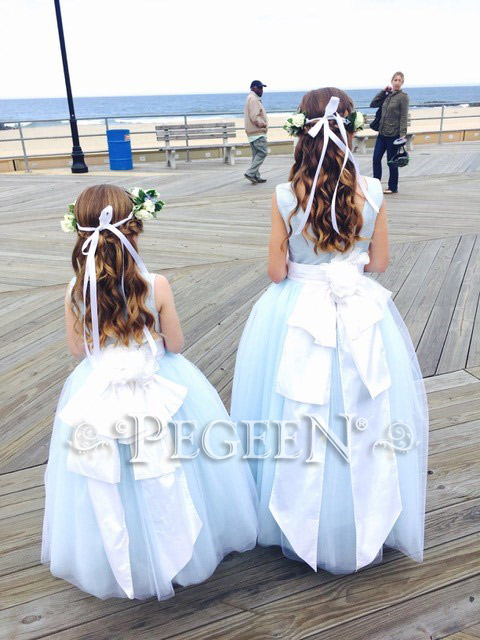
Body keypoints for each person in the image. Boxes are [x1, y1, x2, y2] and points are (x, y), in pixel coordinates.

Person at [230, 87, 428, 575]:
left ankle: (292, 519)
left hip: (296, 312)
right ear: (351, 131)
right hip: (360, 311)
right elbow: (378, 262)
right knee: (365, 408)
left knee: (296, 413)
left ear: (301, 134)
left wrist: (303, 258)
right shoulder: (373, 191)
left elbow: (276, 273)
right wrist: (347, 264)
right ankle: (363, 516)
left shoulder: (284, 195)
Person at [42, 184, 258, 600]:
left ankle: (127, 559)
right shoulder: (155, 284)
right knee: (179, 469)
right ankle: (182, 550)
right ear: (135, 230)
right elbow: (175, 344)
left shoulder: (74, 292)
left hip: (99, 394)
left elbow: (77, 351)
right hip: (160, 387)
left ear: (81, 237)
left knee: (110, 476)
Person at [370, 72, 410, 194]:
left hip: (393, 135)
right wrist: (383, 92)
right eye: (395, 80)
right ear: (392, 81)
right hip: (382, 133)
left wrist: (403, 134)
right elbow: (373, 104)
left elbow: (403, 116)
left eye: (399, 80)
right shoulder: (387, 95)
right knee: (376, 159)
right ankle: (376, 185)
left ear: (402, 82)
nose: (397, 82)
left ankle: (393, 187)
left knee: (391, 161)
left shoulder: (403, 97)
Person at [244, 80, 268, 184]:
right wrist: (263, 124)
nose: (261, 90)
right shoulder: (253, 99)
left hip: (252, 133)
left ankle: (256, 176)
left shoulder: (251, 98)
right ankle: (250, 173)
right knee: (263, 152)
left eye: (262, 88)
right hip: (257, 132)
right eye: (259, 88)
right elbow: (255, 117)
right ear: (253, 88)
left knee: (256, 155)